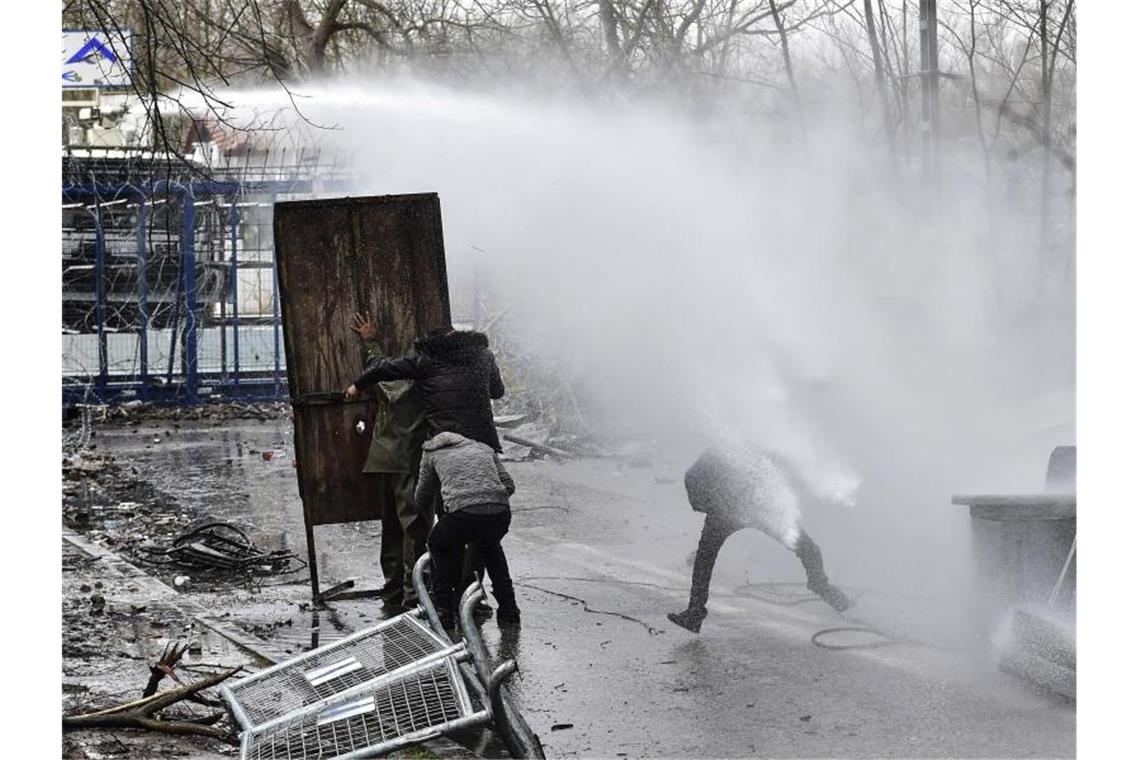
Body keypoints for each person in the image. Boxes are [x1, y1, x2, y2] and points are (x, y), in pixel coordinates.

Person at [667, 443, 852, 634]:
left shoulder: (753, 446)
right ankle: (695, 612)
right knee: (704, 559)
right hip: (739, 510)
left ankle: (820, 585)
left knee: (805, 546)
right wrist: (713, 505)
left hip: (755, 508)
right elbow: (694, 480)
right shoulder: (720, 452)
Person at [349, 313, 429, 615]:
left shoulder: (399, 378)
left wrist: (371, 344)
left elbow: (381, 374)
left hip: (386, 457)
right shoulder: (421, 382)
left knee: (393, 527)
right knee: (412, 526)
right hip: (407, 459)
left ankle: (394, 588)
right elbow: (389, 380)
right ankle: (412, 594)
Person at [414, 430, 521, 630]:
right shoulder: (482, 447)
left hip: (463, 515)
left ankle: (444, 611)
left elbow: (422, 497)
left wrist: (454, 502)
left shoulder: (431, 453)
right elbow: (509, 485)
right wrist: (487, 500)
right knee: (490, 546)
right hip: (500, 513)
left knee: (438, 544)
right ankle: (510, 611)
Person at [346, 323, 505, 452]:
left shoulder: (426, 359)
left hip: (446, 443)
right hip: (484, 442)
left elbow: (383, 369)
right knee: (492, 485)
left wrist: (356, 386)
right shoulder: (484, 355)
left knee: (435, 489)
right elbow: (497, 392)